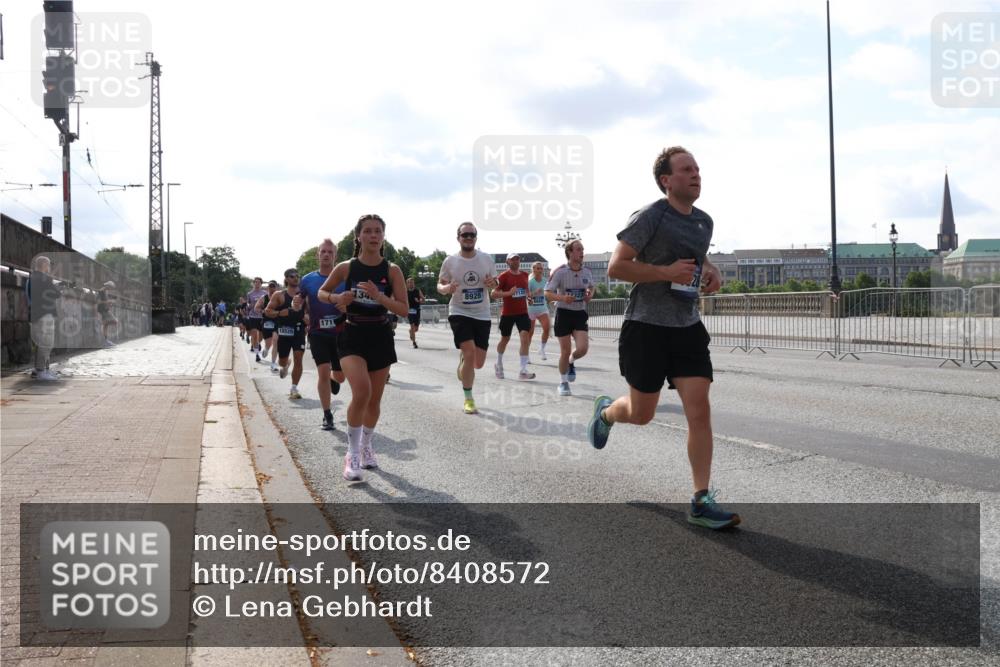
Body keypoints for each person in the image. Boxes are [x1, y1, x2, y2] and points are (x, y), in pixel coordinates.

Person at [588, 145, 737, 530]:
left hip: (686, 326)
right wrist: (665, 271)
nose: (696, 174)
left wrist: (712, 270)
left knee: (699, 409)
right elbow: (617, 267)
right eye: (686, 169)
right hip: (646, 327)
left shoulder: (704, 221)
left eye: (698, 168)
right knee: (641, 414)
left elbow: (696, 257)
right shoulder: (651, 215)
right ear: (666, 181)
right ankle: (606, 412)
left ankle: (701, 500)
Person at [318, 214, 408, 482]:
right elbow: (323, 292)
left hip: (380, 334)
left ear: (383, 236)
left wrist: (380, 297)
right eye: (367, 231)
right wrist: (337, 297)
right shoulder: (347, 268)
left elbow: (403, 308)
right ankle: (352, 453)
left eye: (377, 231)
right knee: (362, 391)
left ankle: (367, 444)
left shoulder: (392, 271)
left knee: (374, 400)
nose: (373, 235)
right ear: (358, 236)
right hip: (352, 332)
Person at [438, 222, 497, 414]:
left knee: (478, 363)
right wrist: (447, 288)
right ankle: (469, 398)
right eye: (465, 235)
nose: (469, 238)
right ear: (458, 238)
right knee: (470, 351)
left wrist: (491, 282)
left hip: (482, 313)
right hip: (459, 311)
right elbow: (440, 284)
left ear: (476, 238)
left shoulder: (486, 259)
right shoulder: (450, 261)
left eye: (472, 235)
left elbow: (495, 283)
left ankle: (464, 361)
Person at [302, 238, 347, 431]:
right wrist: (299, 310)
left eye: (330, 252)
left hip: (341, 332)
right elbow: (300, 304)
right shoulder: (307, 280)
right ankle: (327, 414)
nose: (326, 254)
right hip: (317, 332)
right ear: (317, 255)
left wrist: (347, 306)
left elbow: (352, 302)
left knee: (341, 376)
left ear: (335, 256)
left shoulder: (344, 278)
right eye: (323, 251)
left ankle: (332, 379)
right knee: (322, 371)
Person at [545, 239, 593, 396]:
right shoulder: (560, 272)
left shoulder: (587, 271)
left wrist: (589, 295)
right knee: (564, 351)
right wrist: (562, 298)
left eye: (583, 249)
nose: (582, 252)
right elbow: (547, 292)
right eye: (578, 249)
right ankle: (563, 382)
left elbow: (592, 288)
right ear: (570, 252)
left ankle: (571, 361)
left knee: (583, 349)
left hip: (579, 313)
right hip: (564, 313)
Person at [492, 252, 535, 381]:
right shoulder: (504, 276)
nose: (516, 261)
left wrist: (529, 297)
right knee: (505, 339)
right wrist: (508, 293)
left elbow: (526, 290)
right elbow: (493, 294)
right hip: (508, 314)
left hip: (522, 312)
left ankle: (522, 371)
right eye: (513, 260)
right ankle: (498, 364)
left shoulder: (525, 275)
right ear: (508, 262)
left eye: (517, 259)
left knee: (525, 337)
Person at [266, 269, 307, 399]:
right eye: (292, 276)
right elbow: (267, 311)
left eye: (297, 276)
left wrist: (308, 318)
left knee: (298, 358)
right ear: (286, 279)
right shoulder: (279, 295)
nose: (296, 278)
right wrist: (279, 313)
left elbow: (311, 312)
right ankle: (285, 365)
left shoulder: (304, 295)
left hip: (299, 330)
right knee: (282, 362)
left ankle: (294, 388)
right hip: (284, 331)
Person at [27, 255, 61, 381]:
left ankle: (38, 370)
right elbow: (57, 294)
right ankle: (42, 372)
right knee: (46, 343)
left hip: (34, 314)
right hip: (45, 315)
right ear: (45, 265)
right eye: (49, 265)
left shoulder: (31, 278)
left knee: (39, 343)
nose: (49, 267)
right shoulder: (45, 278)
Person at [527, 261, 551, 360]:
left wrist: (551, 299)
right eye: (537, 268)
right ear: (533, 270)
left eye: (541, 268)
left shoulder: (545, 281)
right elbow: (527, 296)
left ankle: (542, 349)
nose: (539, 270)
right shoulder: (530, 282)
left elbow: (549, 294)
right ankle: (526, 353)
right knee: (530, 332)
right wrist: (535, 292)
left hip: (542, 308)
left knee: (547, 328)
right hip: (531, 309)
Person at [258, 281, 280, 370]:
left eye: (273, 286)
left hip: (277, 321)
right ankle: (266, 349)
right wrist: (262, 311)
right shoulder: (264, 297)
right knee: (269, 343)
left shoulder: (280, 297)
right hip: (267, 321)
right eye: (270, 286)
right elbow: (256, 307)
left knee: (276, 341)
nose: (271, 288)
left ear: (276, 287)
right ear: (268, 288)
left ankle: (273, 363)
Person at [245, 277, 268, 361]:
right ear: (253, 283)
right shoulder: (249, 294)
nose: (257, 284)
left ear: (261, 284)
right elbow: (247, 303)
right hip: (253, 316)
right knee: (254, 335)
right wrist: (248, 306)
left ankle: (258, 343)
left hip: (262, 317)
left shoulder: (265, 293)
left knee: (261, 337)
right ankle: (257, 354)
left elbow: (267, 304)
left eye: (259, 283)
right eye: (255, 282)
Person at [97, 281, 118, 346]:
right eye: (111, 287)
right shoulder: (101, 291)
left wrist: (110, 304)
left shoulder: (106, 291)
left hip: (106, 310)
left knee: (106, 325)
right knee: (114, 321)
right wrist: (108, 301)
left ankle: (106, 341)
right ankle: (105, 341)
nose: (111, 289)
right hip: (103, 310)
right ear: (108, 286)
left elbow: (105, 302)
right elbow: (99, 302)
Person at [405, 278, 424, 349]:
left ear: (414, 283)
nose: (411, 284)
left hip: (417, 310)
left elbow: (423, 299)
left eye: (412, 282)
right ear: (407, 284)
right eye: (409, 283)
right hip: (409, 311)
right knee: (412, 326)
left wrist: (419, 300)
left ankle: (410, 332)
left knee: (416, 329)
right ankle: (414, 343)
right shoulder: (405, 292)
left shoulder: (417, 291)